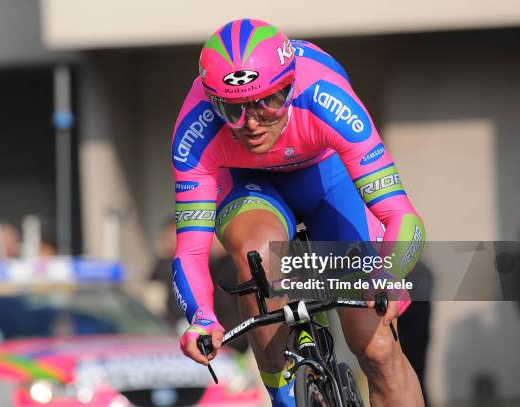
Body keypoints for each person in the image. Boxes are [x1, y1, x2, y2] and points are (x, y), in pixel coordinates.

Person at [171, 19, 426, 406]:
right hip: (247, 186)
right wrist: (202, 316)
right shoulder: (195, 132)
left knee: (377, 351)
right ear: (212, 102)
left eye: (267, 103)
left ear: (290, 86)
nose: (252, 123)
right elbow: (190, 251)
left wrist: (390, 272)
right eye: (232, 110)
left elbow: (401, 215)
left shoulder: (326, 98)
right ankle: (283, 396)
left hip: (326, 177)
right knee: (258, 255)